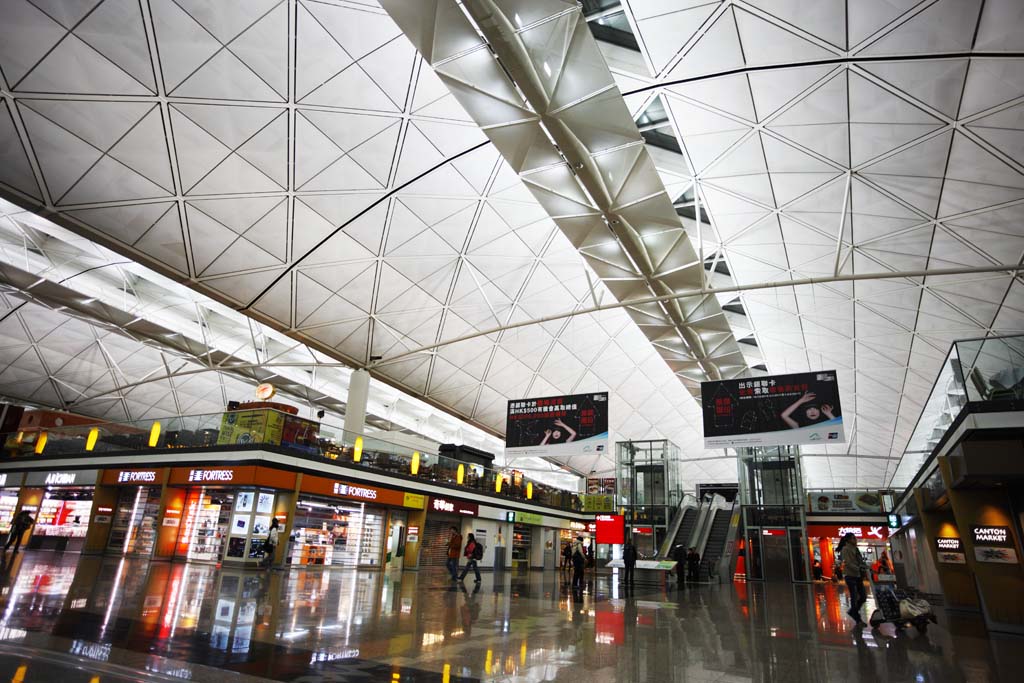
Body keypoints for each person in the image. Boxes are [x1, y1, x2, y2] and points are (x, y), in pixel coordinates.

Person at [838, 532, 868, 625]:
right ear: (848, 540)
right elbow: (848, 562)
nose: (855, 540)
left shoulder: (856, 549)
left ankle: (853, 611)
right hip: (850, 576)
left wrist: (865, 567)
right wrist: (858, 568)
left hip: (858, 575)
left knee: (863, 596)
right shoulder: (845, 549)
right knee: (854, 597)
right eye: (853, 538)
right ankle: (857, 618)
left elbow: (860, 561)